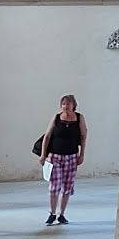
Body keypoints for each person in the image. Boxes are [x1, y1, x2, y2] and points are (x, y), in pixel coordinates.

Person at [39, 94, 87, 225]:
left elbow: (83, 136)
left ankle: (62, 214)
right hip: (55, 156)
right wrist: (43, 155)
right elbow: (47, 136)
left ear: (74, 105)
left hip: (71, 157)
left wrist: (82, 154)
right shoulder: (56, 118)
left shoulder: (79, 118)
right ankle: (52, 213)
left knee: (67, 186)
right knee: (54, 186)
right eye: (64, 103)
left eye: (68, 103)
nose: (66, 106)